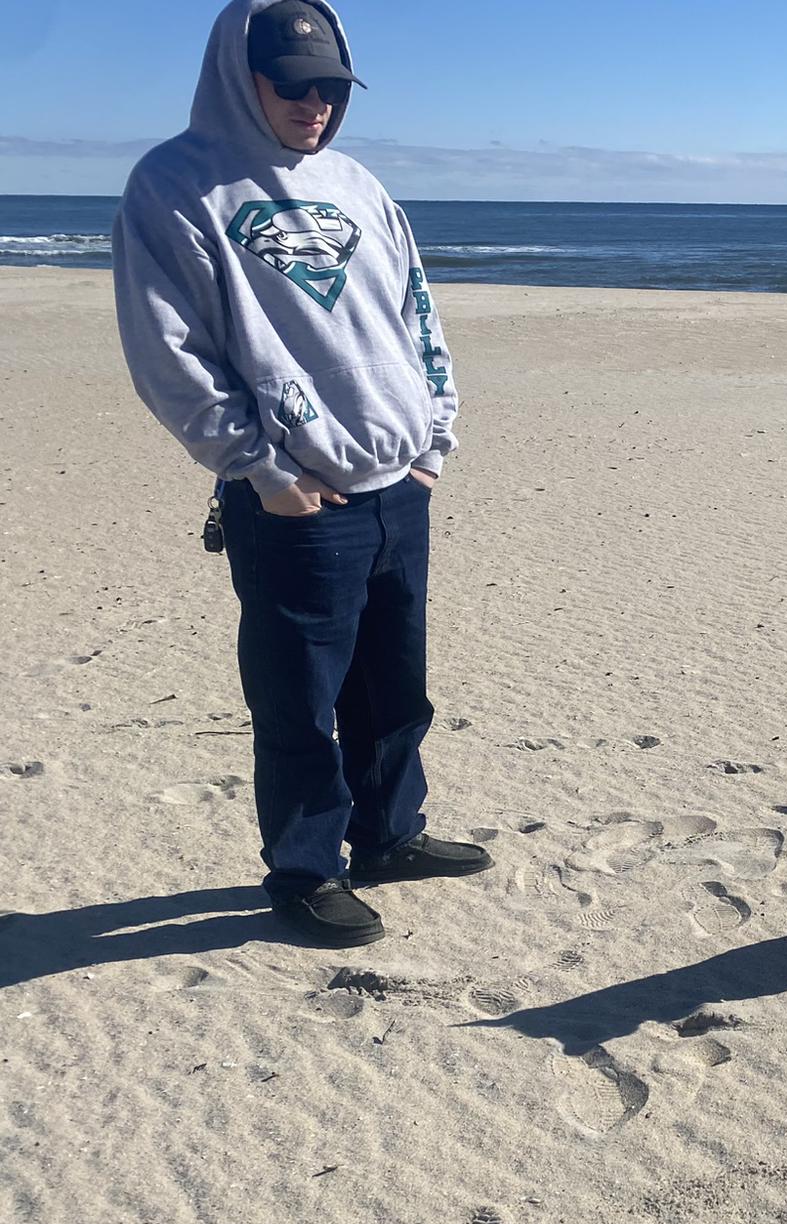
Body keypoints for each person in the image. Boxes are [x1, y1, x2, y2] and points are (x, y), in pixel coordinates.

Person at [112, 0, 489, 948]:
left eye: (330, 87)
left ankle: (390, 836)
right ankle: (306, 871)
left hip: (398, 485)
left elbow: (417, 313)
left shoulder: (358, 184)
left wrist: (433, 443)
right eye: (292, 84)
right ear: (242, 78)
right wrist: (259, 469)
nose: (315, 104)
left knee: (394, 689)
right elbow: (168, 350)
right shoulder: (177, 185)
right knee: (299, 704)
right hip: (294, 499)